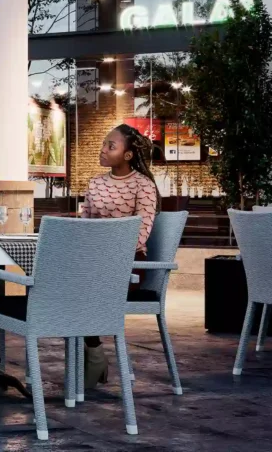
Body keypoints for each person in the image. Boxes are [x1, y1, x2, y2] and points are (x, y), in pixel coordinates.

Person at [80, 124, 160, 389]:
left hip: (130, 264)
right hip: (93, 262)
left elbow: (141, 234)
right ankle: (93, 352)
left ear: (127, 155)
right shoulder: (95, 183)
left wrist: (103, 251)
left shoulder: (143, 186)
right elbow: (85, 226)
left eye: (111, 146)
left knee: (77, 286)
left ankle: (92, 356)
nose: (103, 150)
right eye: (104, 144)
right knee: (63, 278)